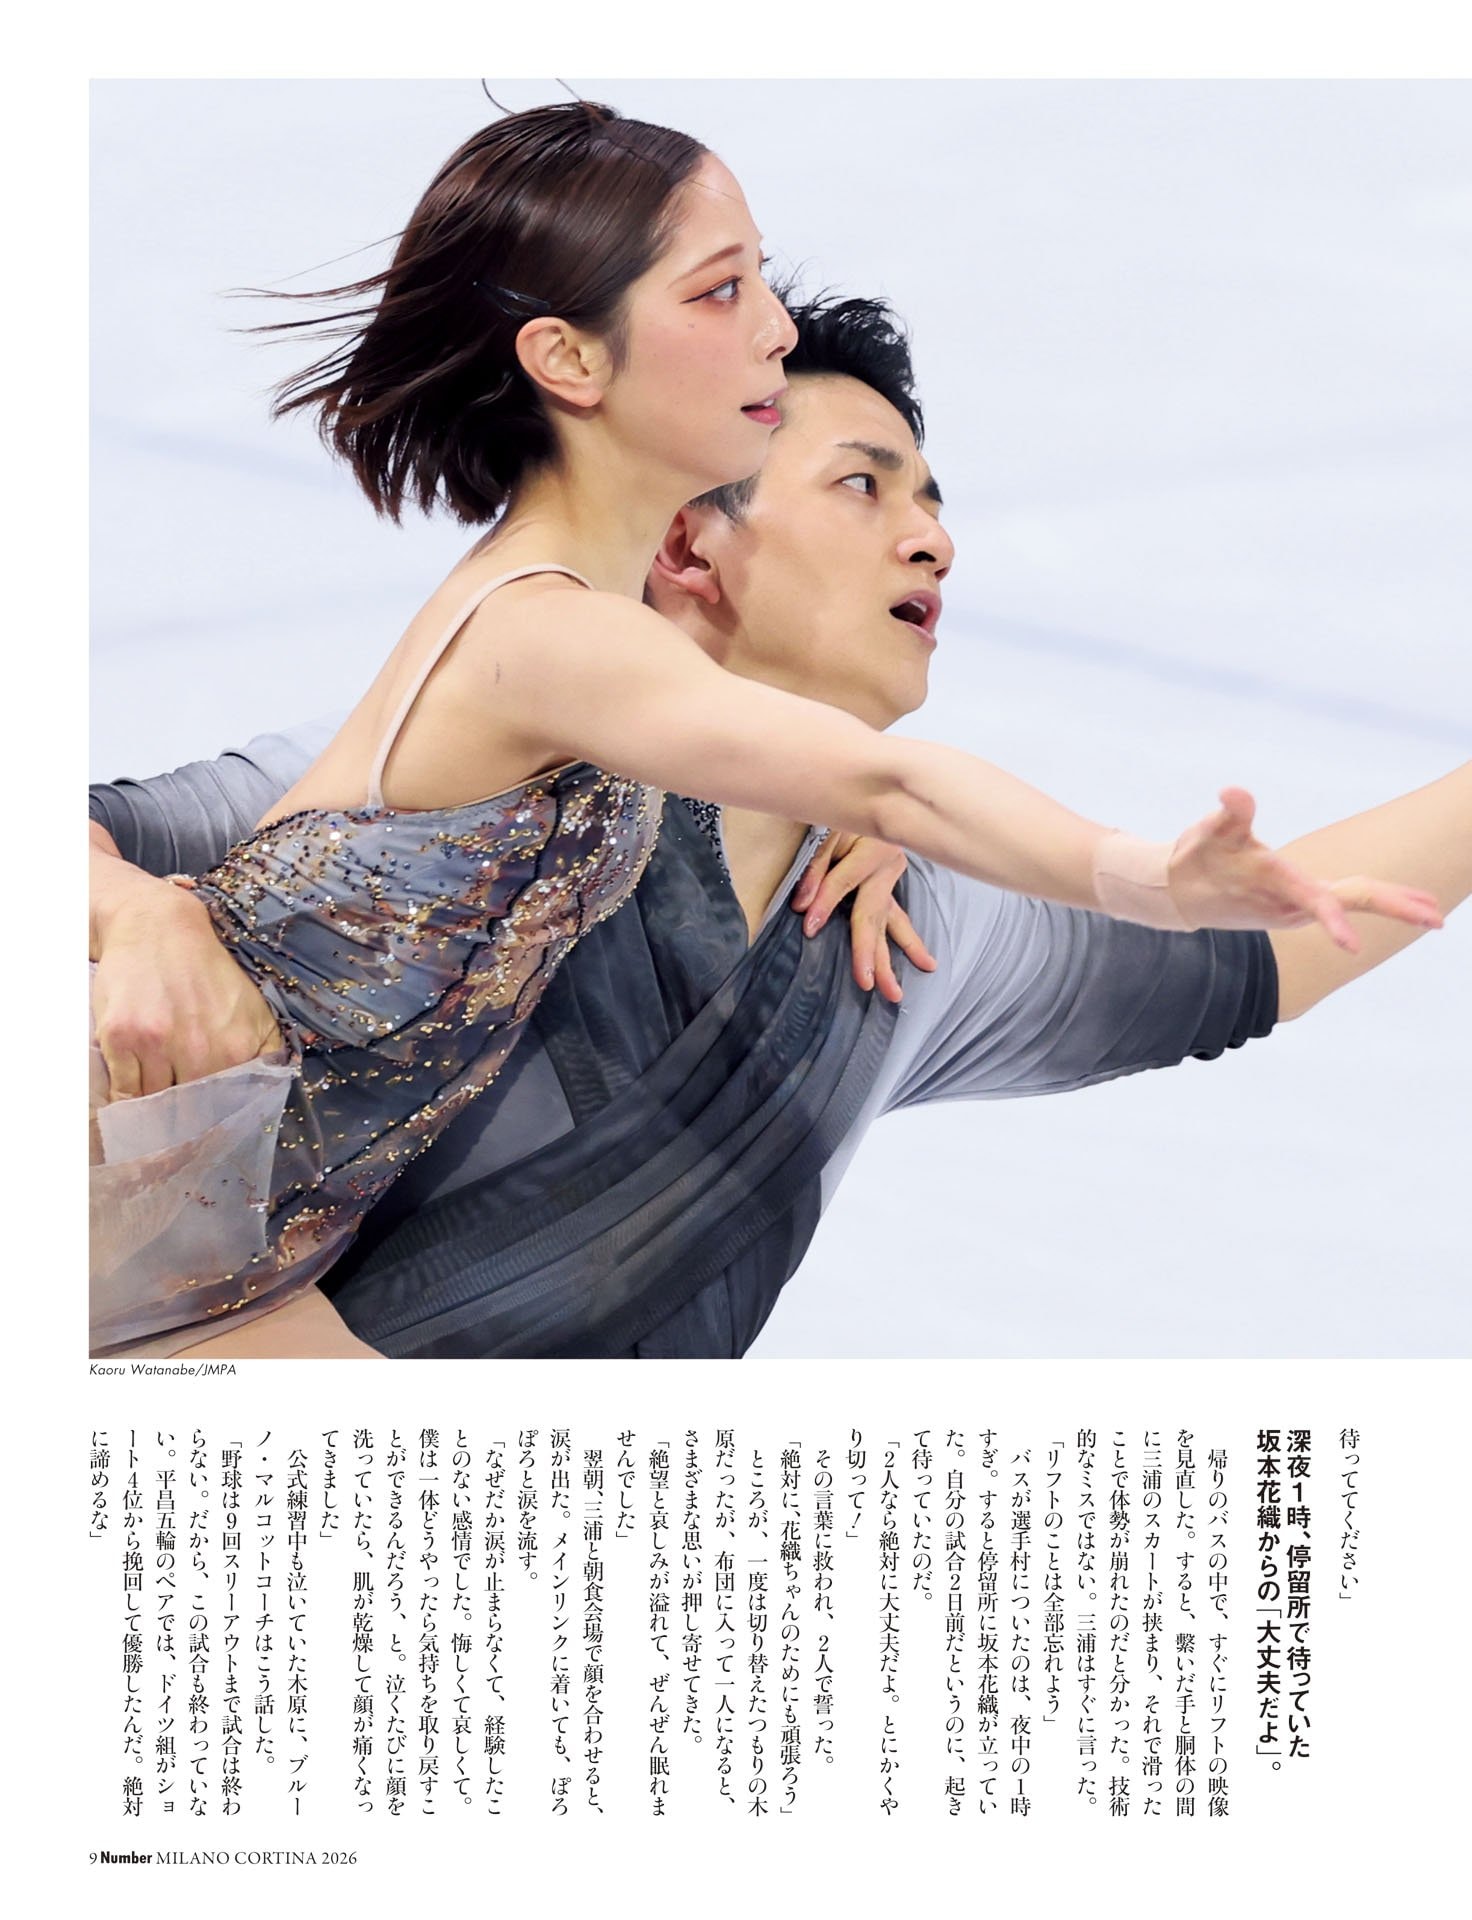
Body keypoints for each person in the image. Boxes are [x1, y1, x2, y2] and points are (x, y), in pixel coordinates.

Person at [91, 285, 1469, 1358]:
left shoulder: (905, 925)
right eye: (863, 486)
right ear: (688, 543)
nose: (931, 539)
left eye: (930, 502)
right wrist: (147, 917)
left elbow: (1252, 956)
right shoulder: (456, 783)